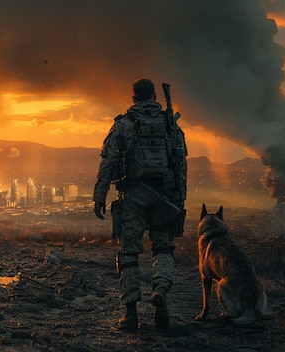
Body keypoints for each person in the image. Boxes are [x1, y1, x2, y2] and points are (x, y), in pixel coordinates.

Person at [93, 78, 187, 330]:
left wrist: (99, 196)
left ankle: (131, 314)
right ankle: (161, 292)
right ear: (154, 96)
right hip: (165, 196)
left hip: (133, 198)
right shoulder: (170, 125)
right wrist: (180, 200)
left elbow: (107, 164)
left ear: (133, 98)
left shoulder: (123, 125)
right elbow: (180, 165)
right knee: (164, 248)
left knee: (128, 253)